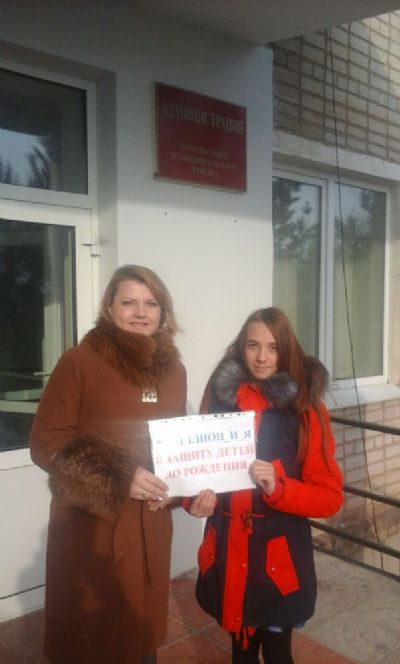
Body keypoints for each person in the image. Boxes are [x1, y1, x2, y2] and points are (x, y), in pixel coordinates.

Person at [29, 265, 187, 664]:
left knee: (142, 635)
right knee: (94, 638)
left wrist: (185, 489)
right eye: (129, 302)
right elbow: (46, 442)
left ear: (163, 311)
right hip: (93, 529)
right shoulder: (80, 362)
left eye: (151, 303)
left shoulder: (175, 372)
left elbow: (177, 444)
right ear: (109, 307)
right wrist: (118, 477)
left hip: (151, 525)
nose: (141, 313)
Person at [191, 307, 343, 664]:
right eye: (253, 345)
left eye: (273, 348)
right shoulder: (220, 397)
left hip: (277, 561)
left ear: (286, 350)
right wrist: (193, 500)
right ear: (241, 347)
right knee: (240, 651)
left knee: (277, 655)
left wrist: (280, 488)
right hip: (227, 551)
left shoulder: (306, 409)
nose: (262, 357)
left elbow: (330, 496)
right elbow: (197, 467)